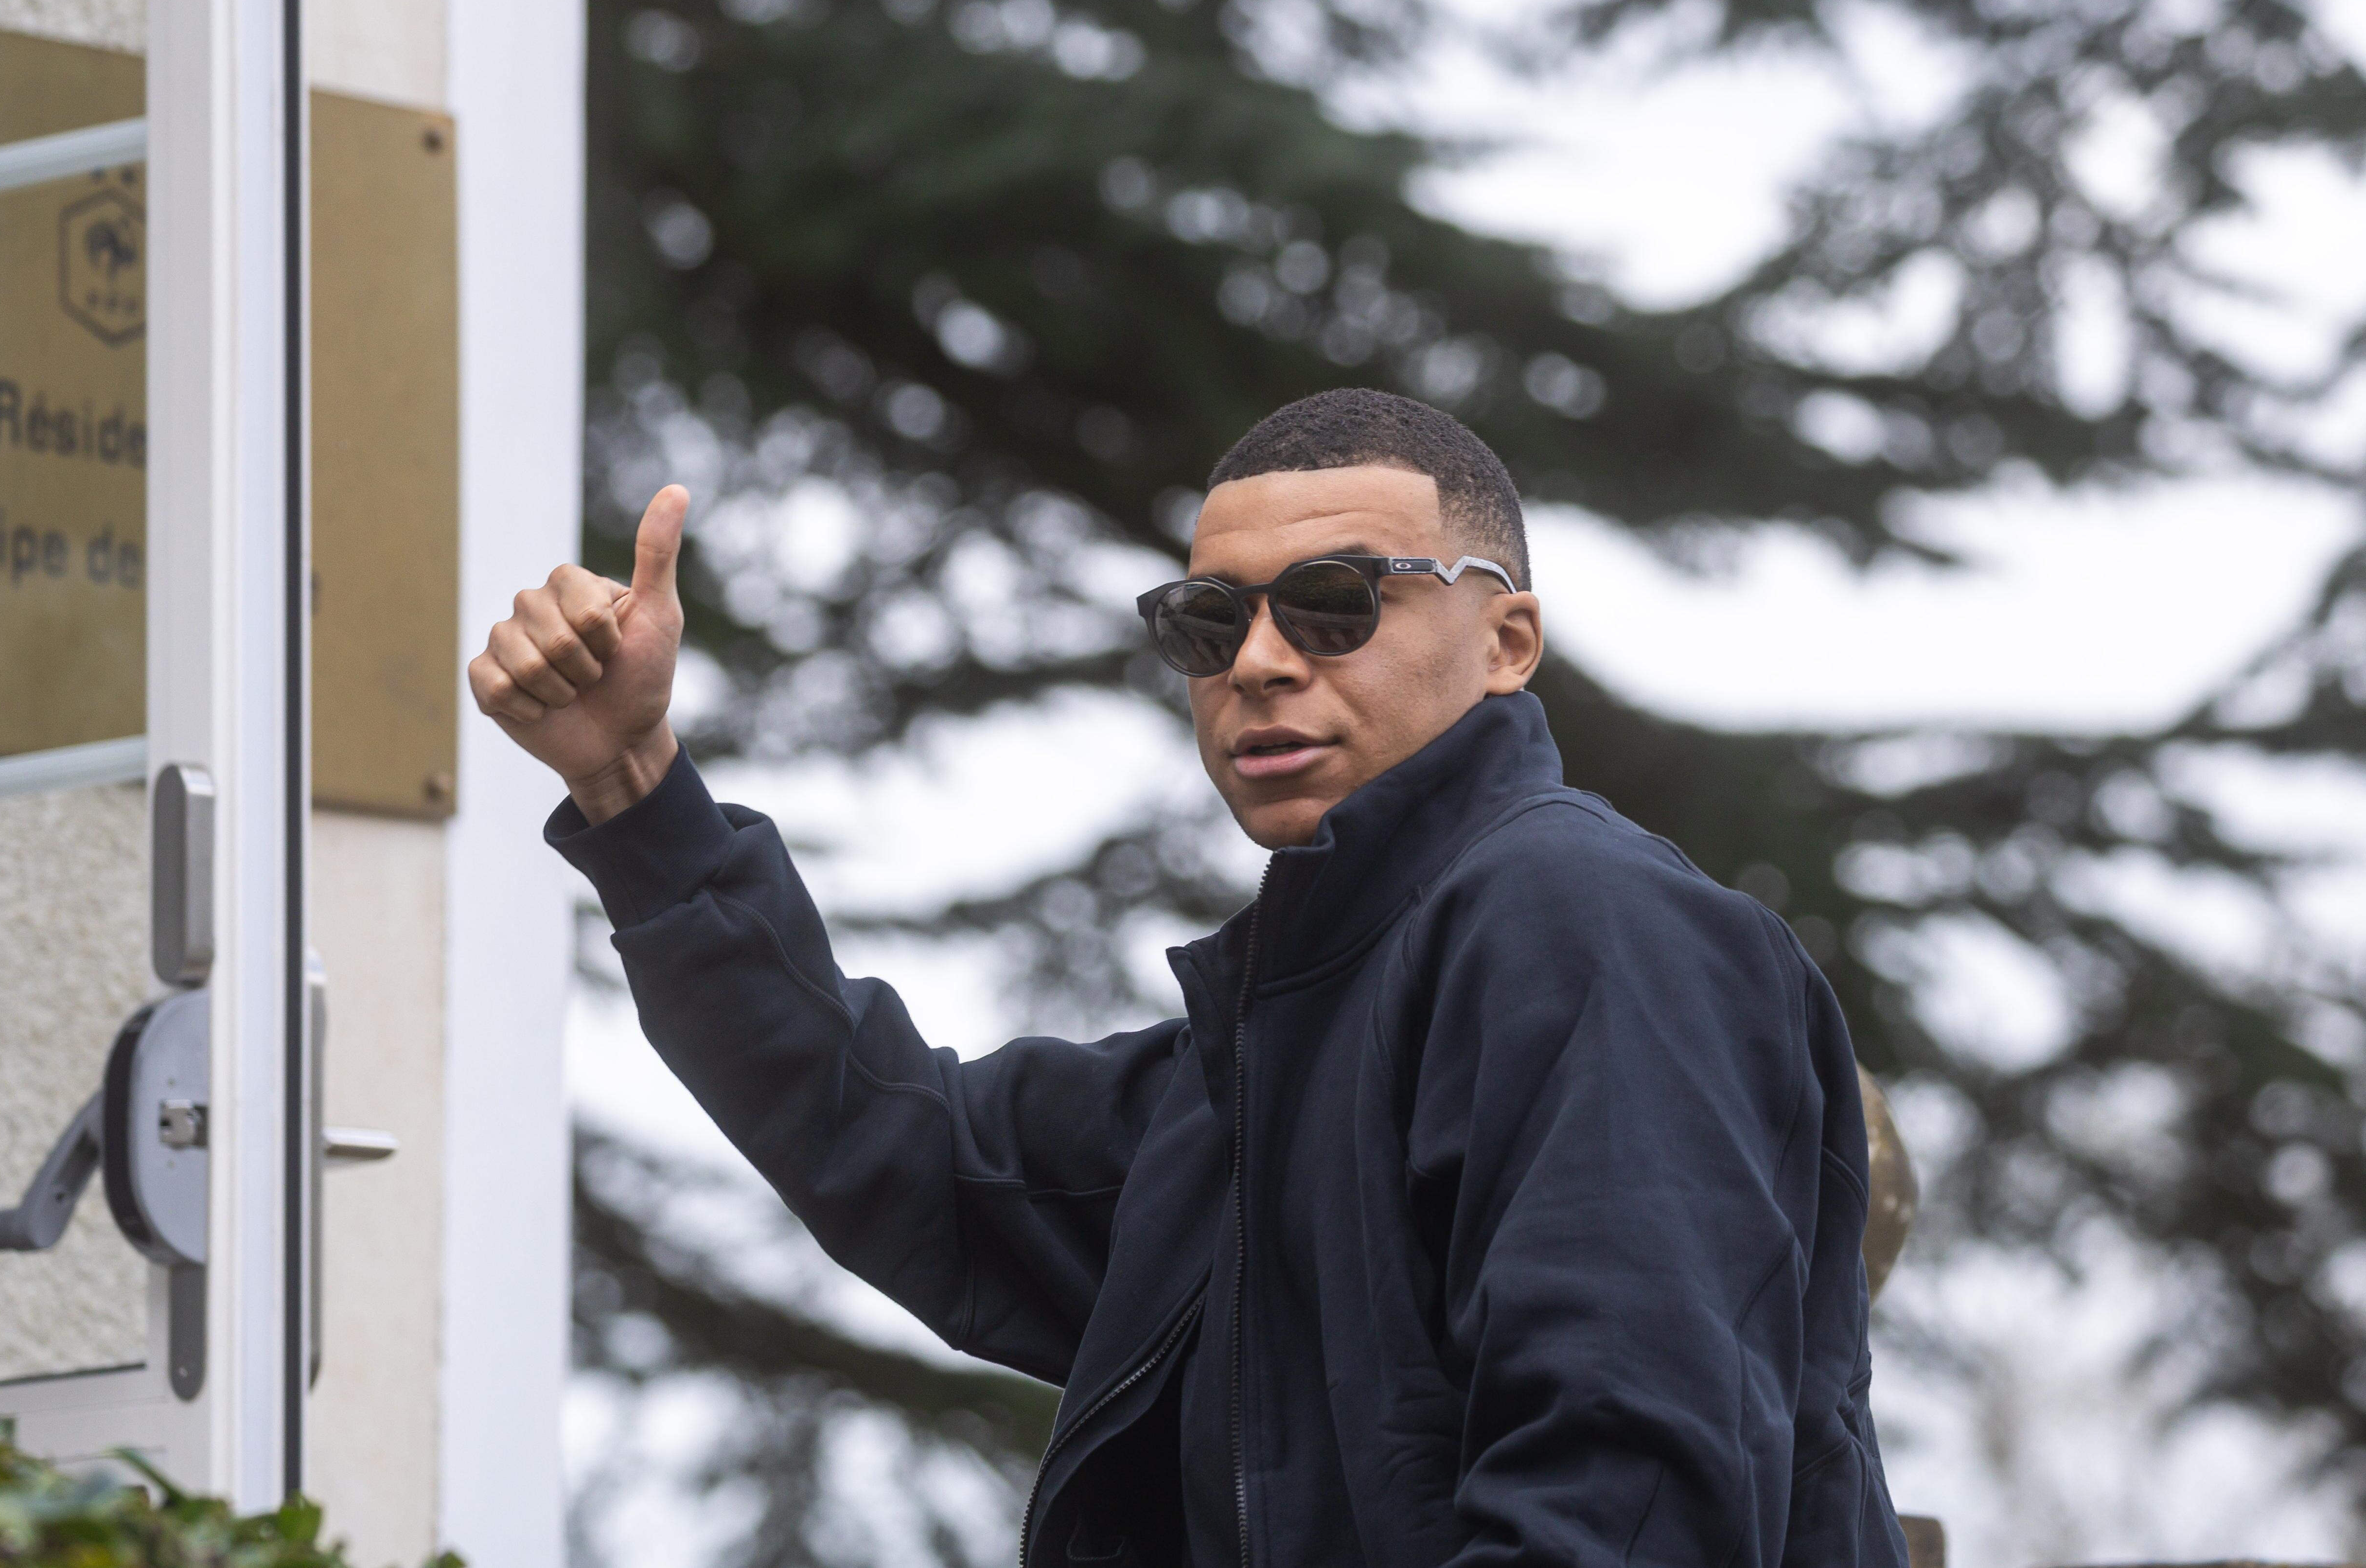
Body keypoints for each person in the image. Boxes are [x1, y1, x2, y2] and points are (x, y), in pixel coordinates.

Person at [472, 388, 1907, 1568]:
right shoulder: (1273, 1047)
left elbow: (1626, 1491)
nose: (1263, 661)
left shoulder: (1587, 921)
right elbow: (902, 1146)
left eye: (1338, 603)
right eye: (1209, 625)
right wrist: (632, 783)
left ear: (1507, 643)